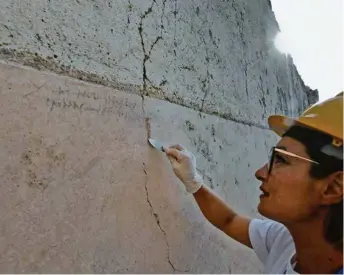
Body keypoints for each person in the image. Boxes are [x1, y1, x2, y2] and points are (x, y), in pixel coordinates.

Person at [163, 92, 343, 274]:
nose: (260, 173)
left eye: (281, 160)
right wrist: (193, 181)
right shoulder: (287, 242)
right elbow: (230, 221)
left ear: (333, 187)